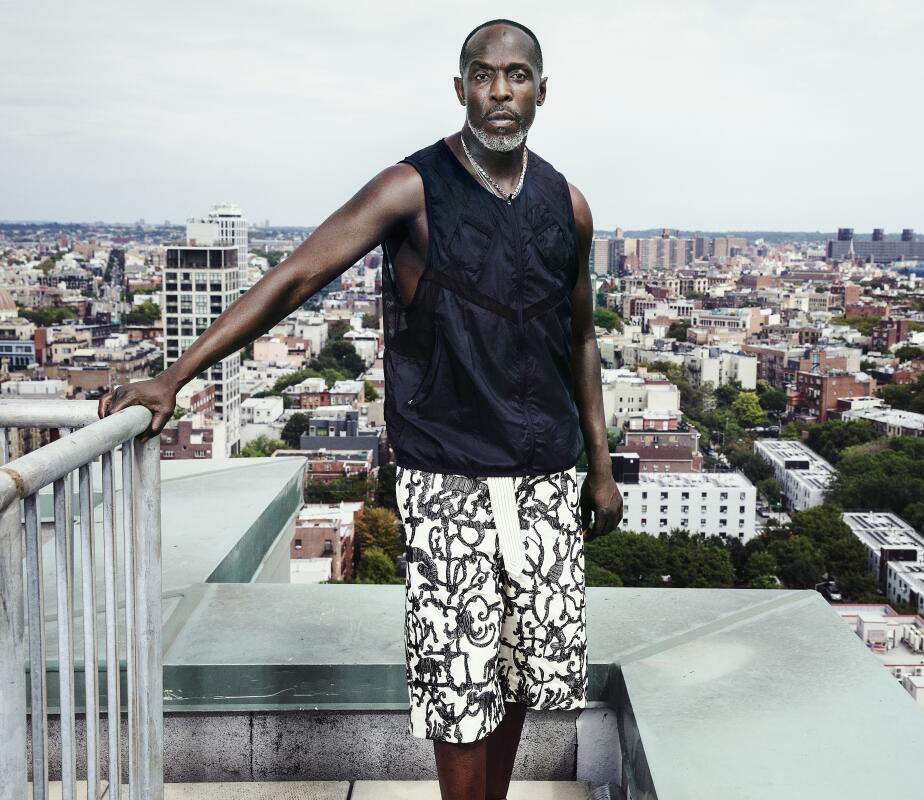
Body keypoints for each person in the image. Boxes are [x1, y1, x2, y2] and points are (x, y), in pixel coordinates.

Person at [99, 18, 623, 800]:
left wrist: (602, 467)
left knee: (520, 670)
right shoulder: (409, 188)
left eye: (516, 76)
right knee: (457, 679)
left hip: (547, 473)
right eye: (483, 75)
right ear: (460, 90)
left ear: (542, 90)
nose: (500, 92)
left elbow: (578, 338)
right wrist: (174, 377)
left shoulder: (567, 204)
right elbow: (296, 279)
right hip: (447, 473)